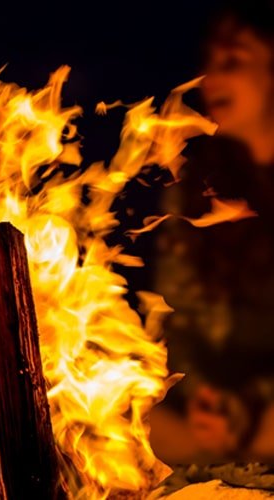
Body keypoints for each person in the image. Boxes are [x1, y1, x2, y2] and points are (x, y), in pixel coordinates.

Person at [149, 1, 274, 464]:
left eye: (233, 61)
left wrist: (255, 400)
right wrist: (205, 396)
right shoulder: (194, 189)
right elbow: (179, 316)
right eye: (209, 63)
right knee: (143, 423)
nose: (212, 78)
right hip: (217, 408)